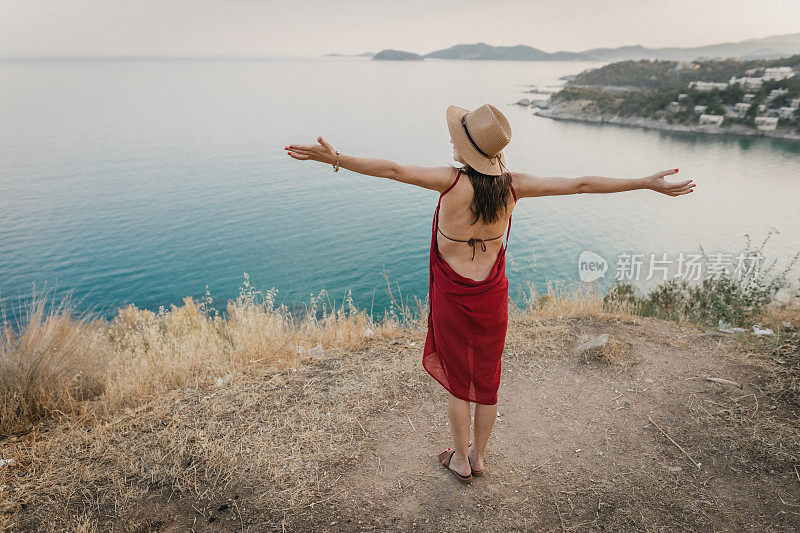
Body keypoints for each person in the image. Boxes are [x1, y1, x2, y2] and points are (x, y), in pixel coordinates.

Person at [284, 103, 695, 484]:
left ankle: (460, 461)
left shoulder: (450, 182)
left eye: (457, 140)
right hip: (492, 297)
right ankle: (478, 457)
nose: (451, 144)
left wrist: (337, 158)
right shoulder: (515, 187)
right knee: (487, 379)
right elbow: (582, 184)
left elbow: (392, 170)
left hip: (452, 297)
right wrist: (645, 183)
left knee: (459, 383)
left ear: (468, 150)